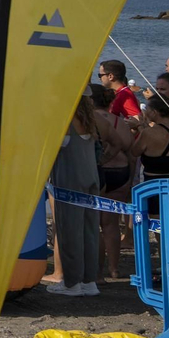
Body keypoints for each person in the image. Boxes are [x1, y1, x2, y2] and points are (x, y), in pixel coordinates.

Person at [45, 93, 102, 297]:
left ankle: (72, 283)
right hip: (90, 176)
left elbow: (50, 146)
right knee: (90, 230)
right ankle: (89, 280)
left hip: (69, 180)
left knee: (69, 231)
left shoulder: (65, 119)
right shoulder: (88, 120)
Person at [89, 84, 138, 282]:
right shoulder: (120, 122)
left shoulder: (90, 121)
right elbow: (131, 152)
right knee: (112, 225)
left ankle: (98, 273)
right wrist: (131, 179)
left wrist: (102, 159)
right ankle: (115, 269)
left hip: (99, 172)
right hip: (121, 173)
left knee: (96, 224)